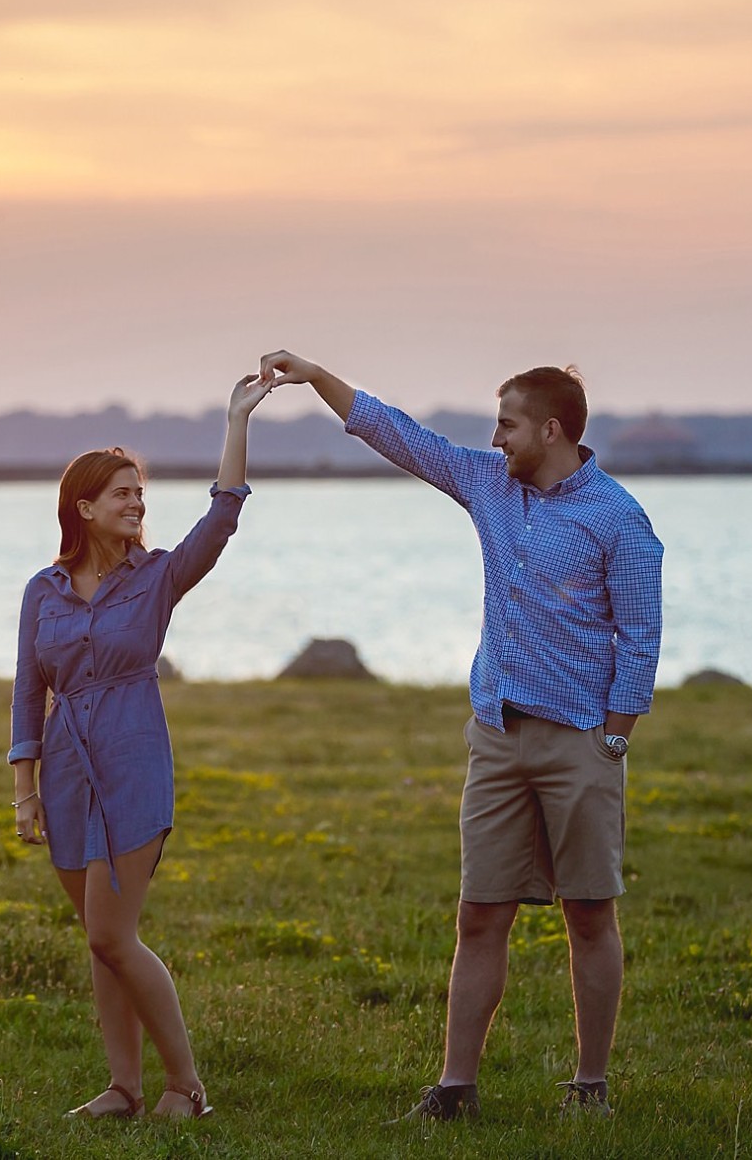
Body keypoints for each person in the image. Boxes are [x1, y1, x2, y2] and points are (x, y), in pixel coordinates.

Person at [258, 351, 663, 1122]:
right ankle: (455, 1090)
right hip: (497, 737)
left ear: (551, 428)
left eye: (507, 423)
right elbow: (400, 434)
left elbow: (641, 639)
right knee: (480, 911)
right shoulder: (487, 484)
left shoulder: (618, 517)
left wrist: (614, 740)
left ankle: (590, 1087)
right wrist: (315, 375)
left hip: (580, 740)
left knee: (588, 912)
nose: (496, 436)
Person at [8, 372, 271, 1120]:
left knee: (111, 933)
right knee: (100, 942)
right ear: (83, 506)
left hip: (133, 765)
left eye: (139, 493)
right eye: (121, 492)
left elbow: (219, 522)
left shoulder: (156, 578)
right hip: (63, 773)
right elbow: (29, 688)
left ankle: (185, 1084)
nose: (136, 502)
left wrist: (236, 423)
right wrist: (22, 788)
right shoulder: (44, 589)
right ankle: (124, 1087)